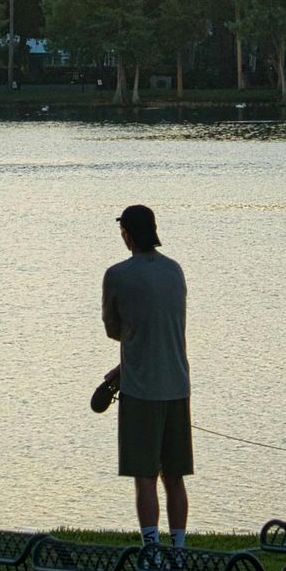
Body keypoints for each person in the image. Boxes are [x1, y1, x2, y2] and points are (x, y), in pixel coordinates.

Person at [102, 204, 191, 550]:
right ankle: (179, 550)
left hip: (140, 390)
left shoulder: (117, 275)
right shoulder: (175, 271)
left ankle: (151, 550)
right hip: (177, 384)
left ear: (127, 234)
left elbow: (114, 330)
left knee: (144, 477)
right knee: (175, 476)